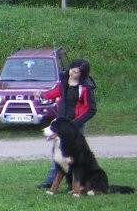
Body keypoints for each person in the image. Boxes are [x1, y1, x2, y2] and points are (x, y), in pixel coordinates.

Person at [36, 58, 96, 189]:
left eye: (75, 72)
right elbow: (56, 92)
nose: (71, 74)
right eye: (71, 70)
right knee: (58, 152)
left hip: (75, 126)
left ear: (82, 74)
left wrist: (76, 122)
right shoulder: (64, 81)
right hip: (61, 123)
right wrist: (42, 95)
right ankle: (51, 181)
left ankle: (76, 184)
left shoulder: (85, 87)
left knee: (75, 156)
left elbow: (91, 109)